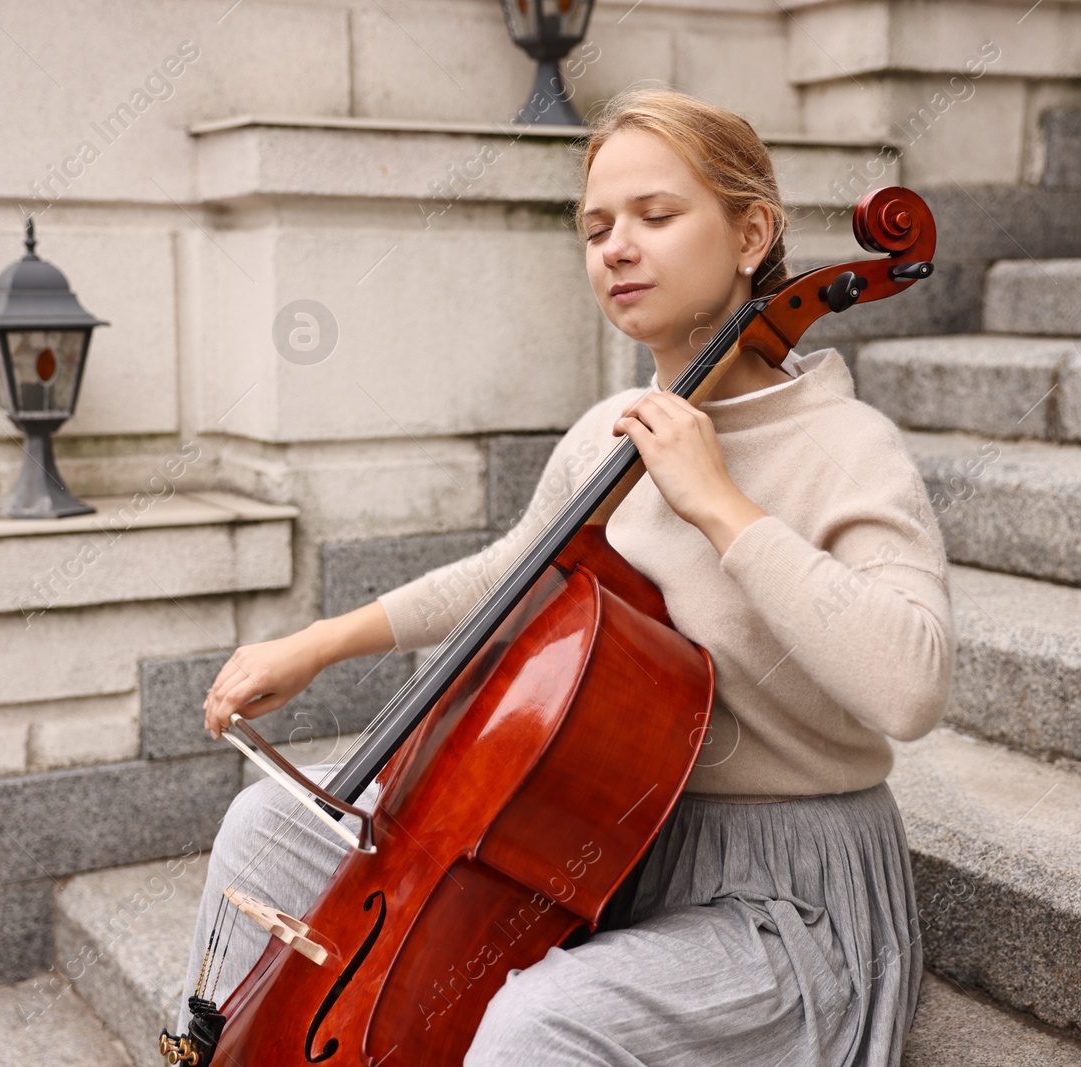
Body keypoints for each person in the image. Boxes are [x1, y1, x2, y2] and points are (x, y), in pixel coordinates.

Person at [177, 86, 955, 1066]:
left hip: (782, 895)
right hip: (606, 844)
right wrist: (316, 644)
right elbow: (515, 571)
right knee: (264, 828)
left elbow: (911, 685)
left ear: (751, 231)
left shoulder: (845, 445)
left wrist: (720, 504)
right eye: (595, 228)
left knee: (537, 1023)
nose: (616, 248)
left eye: (655, 216)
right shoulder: (610, 431)